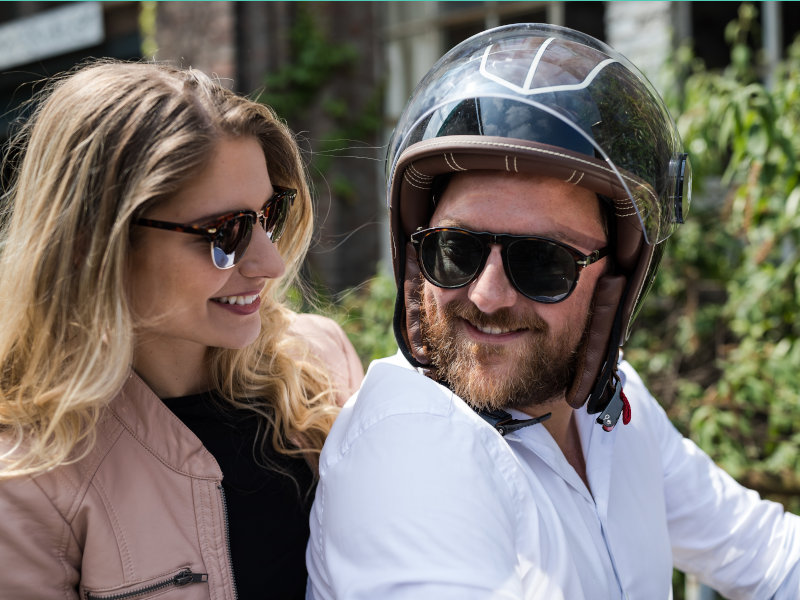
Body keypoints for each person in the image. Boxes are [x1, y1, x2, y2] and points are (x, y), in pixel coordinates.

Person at [306, 23, 800, 599]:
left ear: (615, 283)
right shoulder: (410, 447)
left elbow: (763, 553)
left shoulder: (610, 410)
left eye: (543, 264)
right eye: (456, 250)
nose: (487, 297)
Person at [0, 60, 363, 599]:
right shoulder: (27, 477)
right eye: (225, 232)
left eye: (268, 215)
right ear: (95, 245)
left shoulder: (320, 362)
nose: (269, 262)